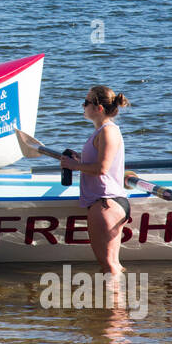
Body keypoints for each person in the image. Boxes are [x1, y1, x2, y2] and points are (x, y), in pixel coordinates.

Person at [60, 86, 132, 280]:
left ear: (98, 108)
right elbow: (98, 163)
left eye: (86, 102)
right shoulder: (102, 131)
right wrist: (79, 161)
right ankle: (118, 308)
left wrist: (75, 166)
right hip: (108, 202)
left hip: (105, 203)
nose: (82, 106)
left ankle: (113, 308)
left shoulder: (108, 131)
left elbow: (102, 168)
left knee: (109, 266)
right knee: (112, 264)